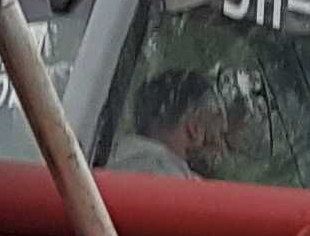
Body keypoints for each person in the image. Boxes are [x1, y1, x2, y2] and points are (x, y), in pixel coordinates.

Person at [104, 65, 245, 179]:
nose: (222, 150)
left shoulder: (111, 155)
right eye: (220, 135)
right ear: (195, 126)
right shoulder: (167, 176)